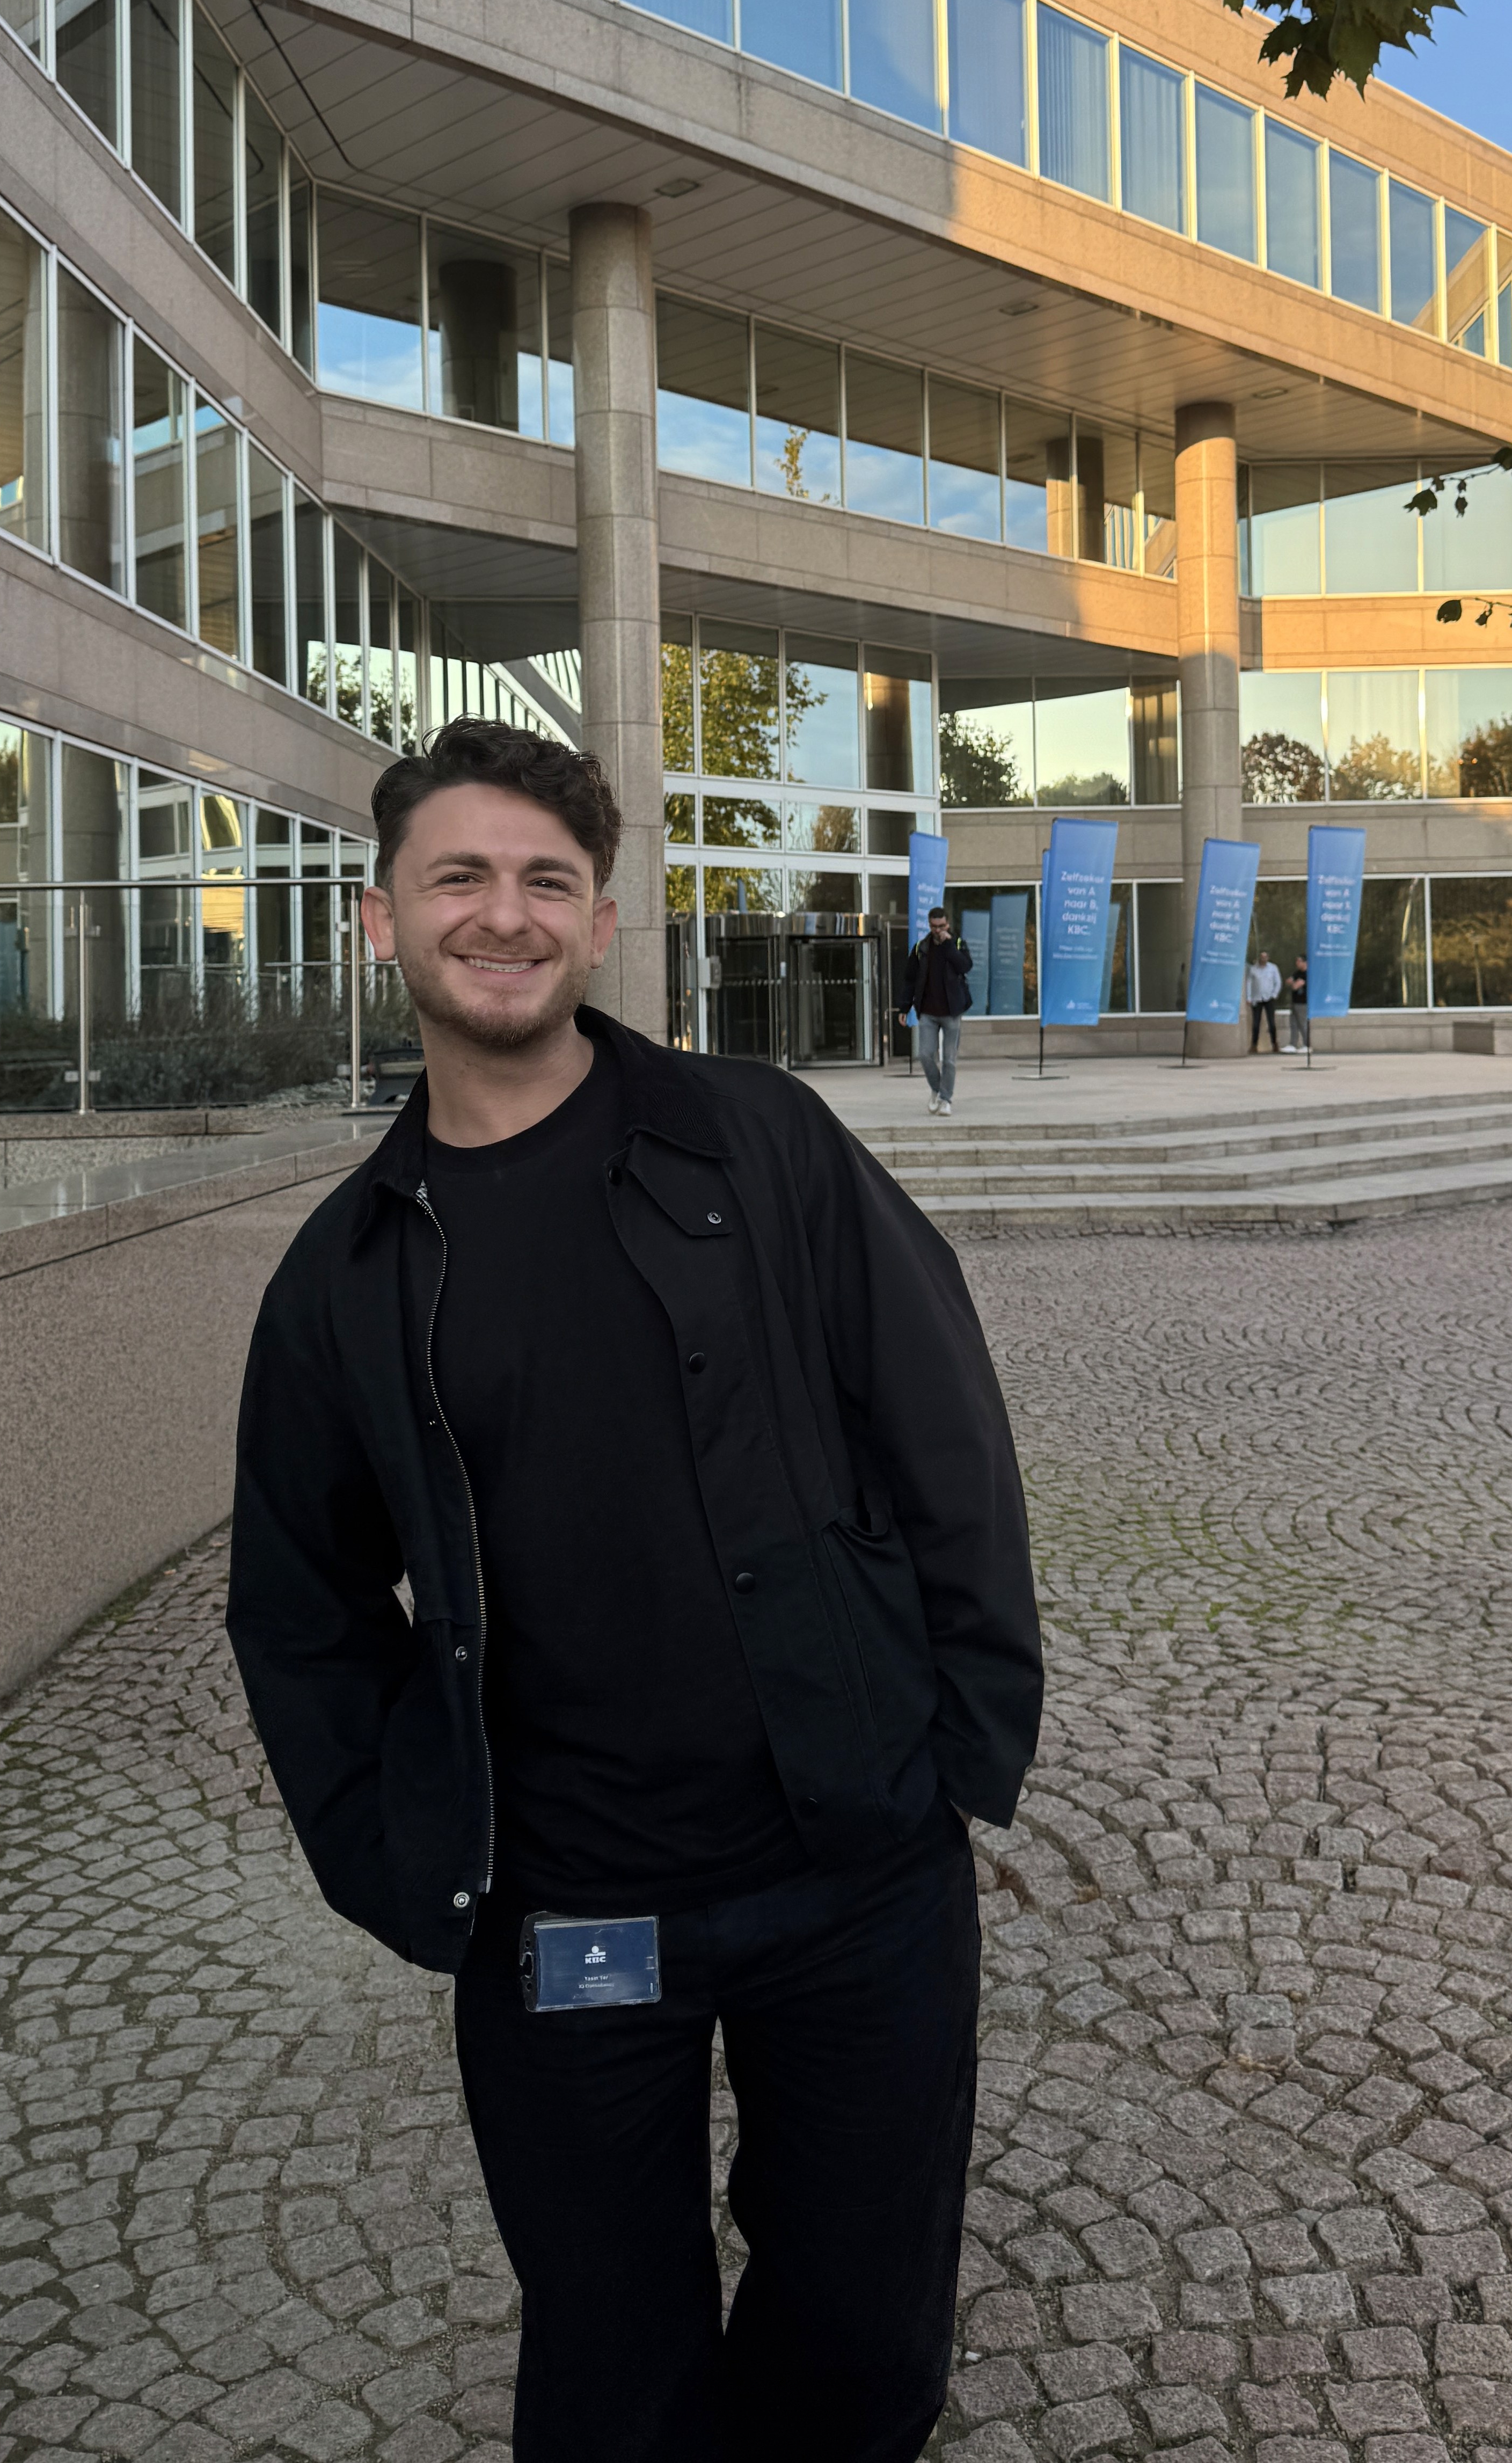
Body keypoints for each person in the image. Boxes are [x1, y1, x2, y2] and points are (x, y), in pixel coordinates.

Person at [227, 721, 1042, 2463]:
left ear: (601, 923)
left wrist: (960, 1749)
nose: (502, 914)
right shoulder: (347, 1275)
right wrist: (396, 1849)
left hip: (852, 1868)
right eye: (460, 876)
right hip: (563, 1913)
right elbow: (295, 1604)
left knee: (858, 2313)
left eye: (545, 880)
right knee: (610, 2350)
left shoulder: (758, 1142)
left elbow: (943, 1429)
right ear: (382, 922)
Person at [900, 902, 973, 1114]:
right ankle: (937, 1090)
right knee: (925, 1055)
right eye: (934, 926)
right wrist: (904, 1008)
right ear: (929, 925)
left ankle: (946, 1100)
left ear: (948, 924)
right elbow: (909, 980)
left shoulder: (957, 944)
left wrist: (949, 946)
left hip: (952, 1012)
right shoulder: (921, 948)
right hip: (928, 1012)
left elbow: (966, 967)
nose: (938, 930)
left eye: (942, 926)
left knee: (949, 1059)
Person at [1245, 948, 1283, 1053]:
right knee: (1256, 1024)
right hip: (1257, 998)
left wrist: (1275, 994)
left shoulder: (1273, 968)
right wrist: (1249, 998)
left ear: (1268, 958)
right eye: (1262, 958)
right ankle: (1254, 1045)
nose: (1263, 959)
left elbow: (1278, 982)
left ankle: (1275, 1044)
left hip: (1269, 998)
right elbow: (1249, 984)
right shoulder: (1253, 969)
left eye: (1265, 957)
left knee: (1272, 1023)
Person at [1289, 950, 1310, 1052]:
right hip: (1295, 1001)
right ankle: (1293, 1044)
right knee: (1294, 1024)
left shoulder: (1307, 974)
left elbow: (1295, 986)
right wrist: (1294, 983)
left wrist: (1295, 984)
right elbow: (1290, 982)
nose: (1297, 963)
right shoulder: (1297, 973)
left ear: (1305, 962)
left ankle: (1307, 1045)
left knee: (1303, 1024)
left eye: (1299, 961)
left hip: (1303, 1003)